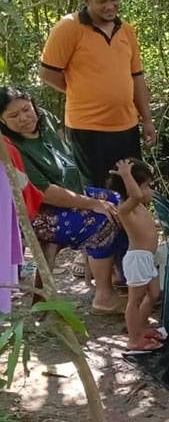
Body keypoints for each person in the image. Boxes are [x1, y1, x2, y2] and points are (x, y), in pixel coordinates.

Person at [1, 86, 124, 312]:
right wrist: (93, 204)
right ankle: (104, 296)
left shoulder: (45, 119)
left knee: (121, 204)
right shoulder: (10, 147)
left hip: (74, 195)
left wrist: (90, 198)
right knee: (102, 221)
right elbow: (45, 192)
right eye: (14, 115)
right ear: (2, 121)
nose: (24, 118)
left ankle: (119, 274)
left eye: (26, 109)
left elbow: (63, 150)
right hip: (41, 213)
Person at [39, 0, 155, 188]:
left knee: (132, 185)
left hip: (126, 125)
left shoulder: (126, 30)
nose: (110, 6)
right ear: (87, 0)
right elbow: (47, 73)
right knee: (98, 190)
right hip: (88, 128)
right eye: (102, 1)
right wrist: (81, 90)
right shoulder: (69, 27)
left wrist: (147, 119)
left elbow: (136, 76)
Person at [108, 158, 163, 351]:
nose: (150, 191)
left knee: (154, 294)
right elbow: (137, 195)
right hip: (137, 259)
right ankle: (133, 339)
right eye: (146, 186)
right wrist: (126, 174)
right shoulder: (125, 208)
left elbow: (138, 195)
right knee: (135, 300)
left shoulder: (138, 207)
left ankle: (141, 327)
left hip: (147, 259)